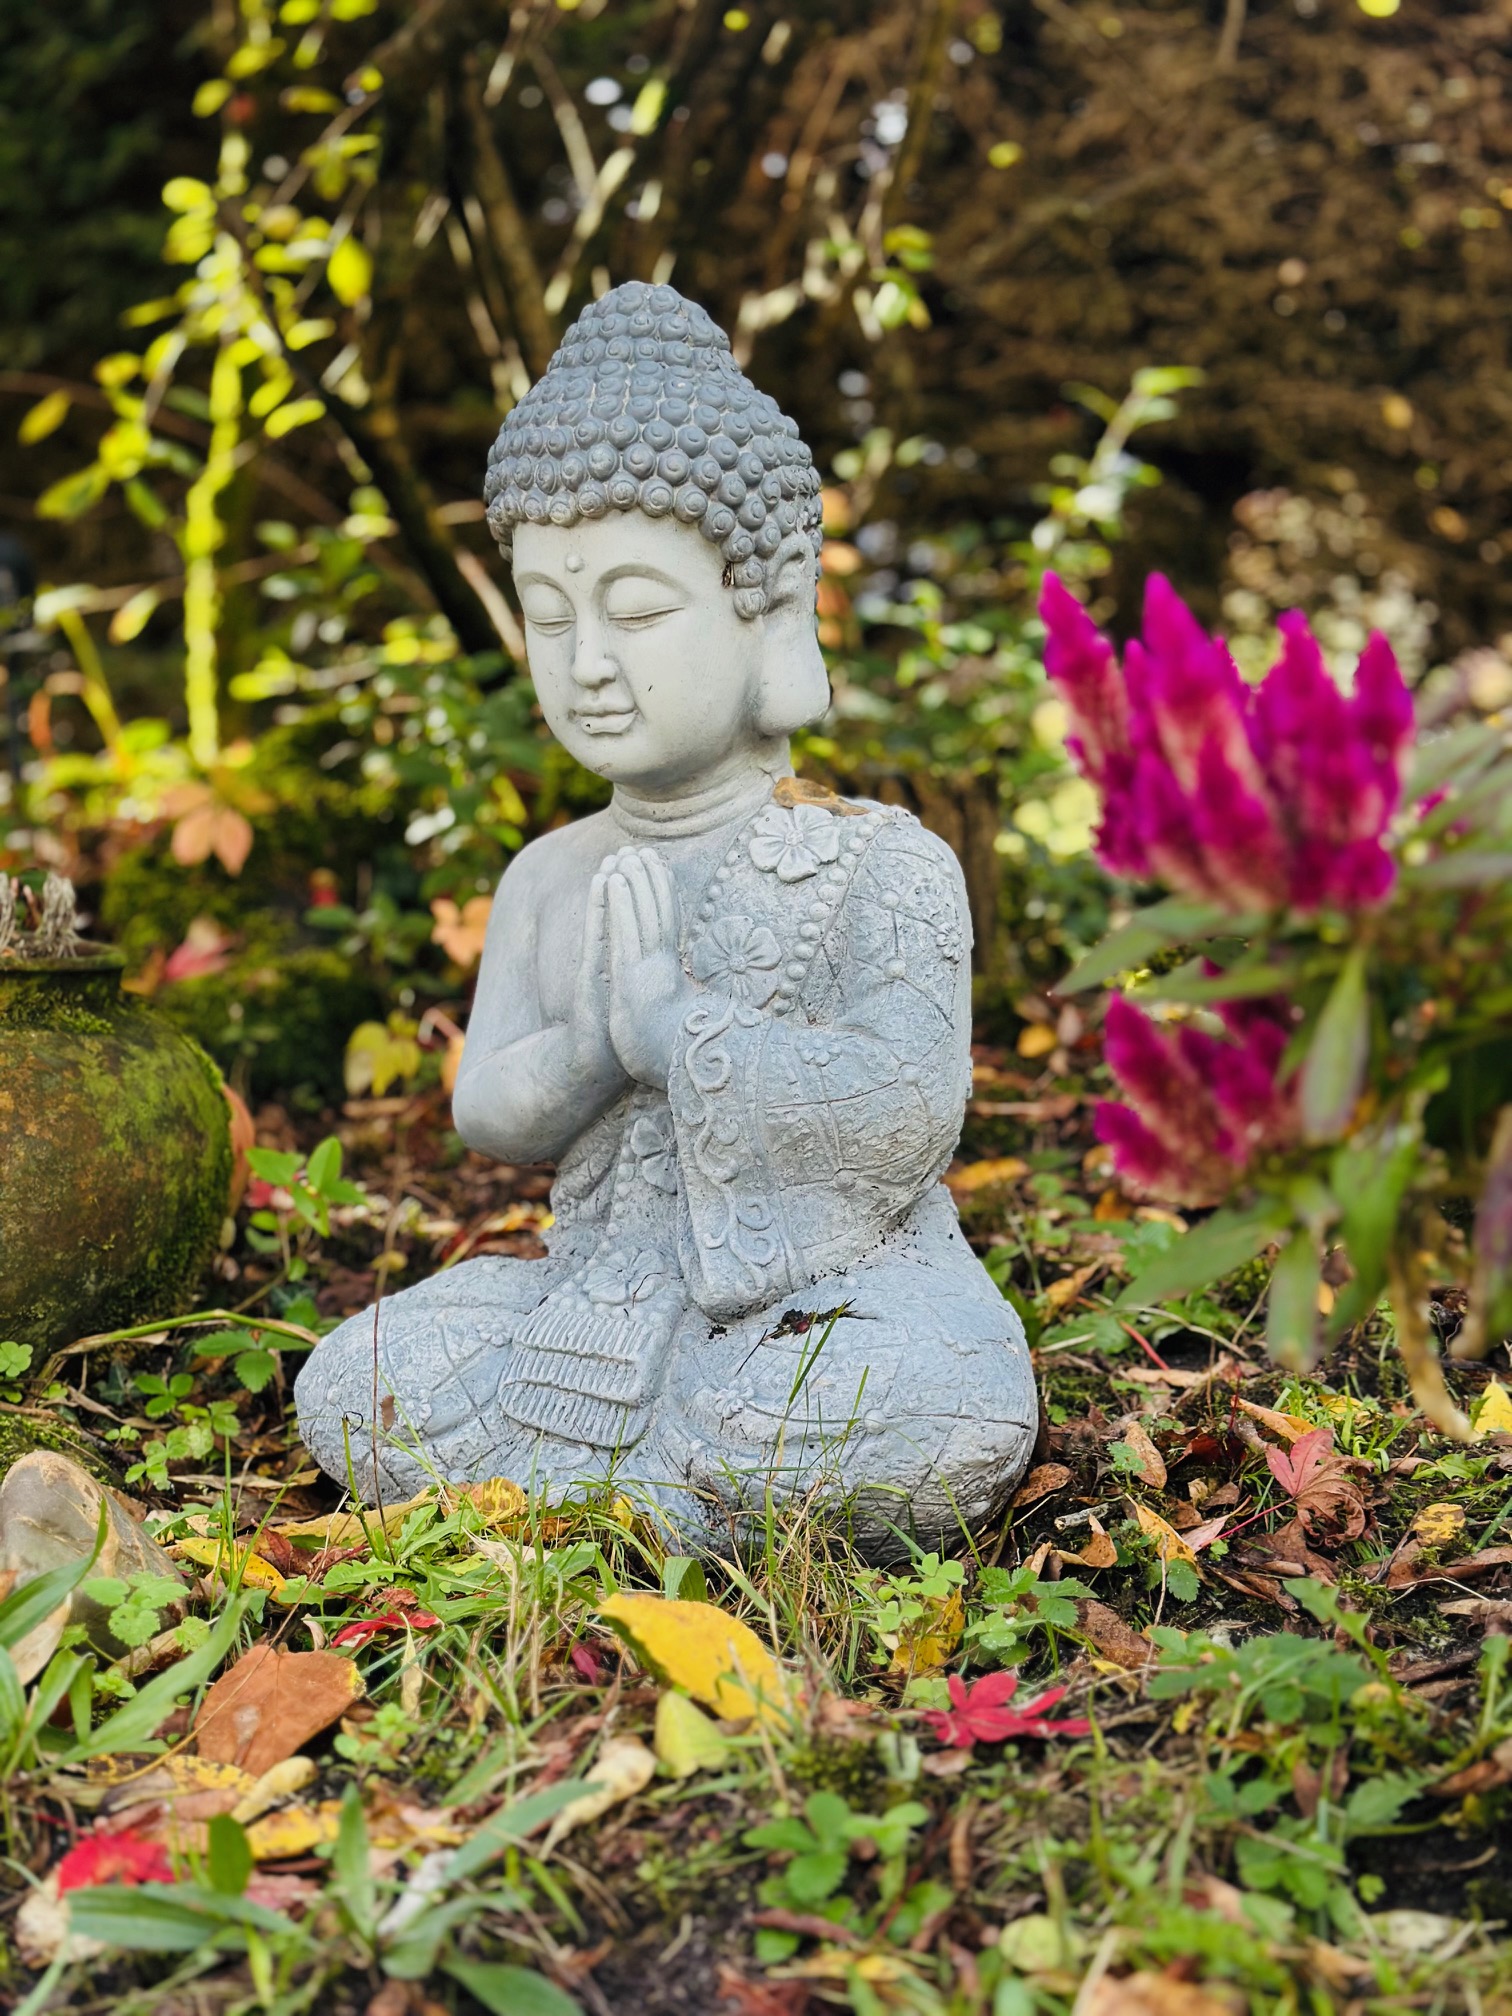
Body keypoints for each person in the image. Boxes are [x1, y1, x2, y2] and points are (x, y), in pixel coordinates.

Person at [295, 282, 1035, 1555]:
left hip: (825, 1301)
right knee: (353, 1377)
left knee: (943, 1406)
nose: (587, 659)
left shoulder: (882, 863)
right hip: (592, 1296)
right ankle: (666, 1491)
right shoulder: (547, 875)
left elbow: (909, 1114)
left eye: (636, 611)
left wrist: (674, 1028)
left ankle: (614, 1483)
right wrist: (596, 1045)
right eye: (548, 613)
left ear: (767, 606)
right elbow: (489, 1113)